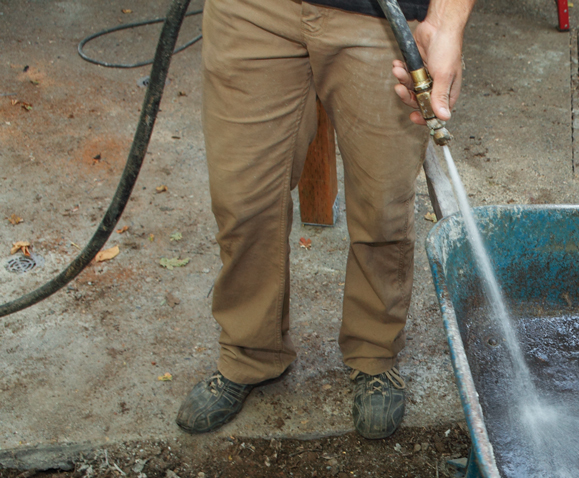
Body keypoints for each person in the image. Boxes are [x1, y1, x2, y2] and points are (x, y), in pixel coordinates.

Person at [176, 0, 474, 439]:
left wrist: (448, 24)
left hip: (378, 17)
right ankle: (249, 351)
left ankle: (374, 353)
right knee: (243, 200)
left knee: (382, 205)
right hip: (252, 12)